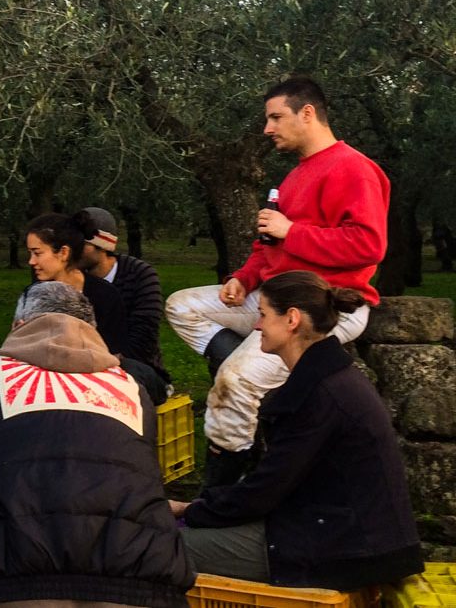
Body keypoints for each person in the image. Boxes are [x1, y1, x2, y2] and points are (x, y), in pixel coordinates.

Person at [165, 76, 390, 487]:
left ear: (307, 113)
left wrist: (293, 231)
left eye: (275, 117)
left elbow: (368, 245)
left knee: (236, 381)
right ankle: (248, 370)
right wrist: (243, 278)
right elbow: (268, 245)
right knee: (182, 306)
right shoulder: (293, 177)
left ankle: (224, 490)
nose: (267, 129)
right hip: (272, 301)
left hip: (321, 308)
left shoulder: (353, 169)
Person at [0, 281, 194, 608]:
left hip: (0, 584)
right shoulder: (133, 389)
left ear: (18, 326)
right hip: (144, 586)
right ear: (92, 330)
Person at [169, 271, 423, 590]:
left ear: (291, 319)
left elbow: (265, 490)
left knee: (155, 547)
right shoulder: (330, 378)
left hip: (344, 548)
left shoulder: (319, 394)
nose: (257, 325)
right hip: (346, 533)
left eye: (262, 315)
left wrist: (189, 510)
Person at [23, 212, 168, 404]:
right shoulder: (39, 287)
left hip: (117, 366)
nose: (77, 249)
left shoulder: (131, 279)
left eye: (83, 244)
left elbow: (140, 337)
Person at [78, 206, 170, 383]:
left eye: (83, 244)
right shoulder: (72, 277)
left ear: (102, 245)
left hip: (136, 368)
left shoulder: (140, 274)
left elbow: (144, 335)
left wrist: (106, 362)